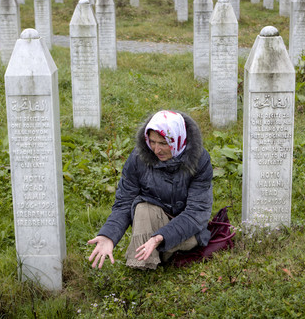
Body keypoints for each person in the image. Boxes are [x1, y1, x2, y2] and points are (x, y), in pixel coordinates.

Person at [88, 110, 213, 270]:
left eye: (163, 143)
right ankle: (143, 264)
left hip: (184, 224)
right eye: (152, 141)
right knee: (142, 207)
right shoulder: (138, 158)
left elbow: (197, 212)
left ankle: (160, 250)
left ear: (178, 139)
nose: (156, 150)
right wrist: (108, 235)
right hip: (152, 219)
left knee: (183, 240)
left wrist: (160, 237)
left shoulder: (200, 160)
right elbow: (124, 203)